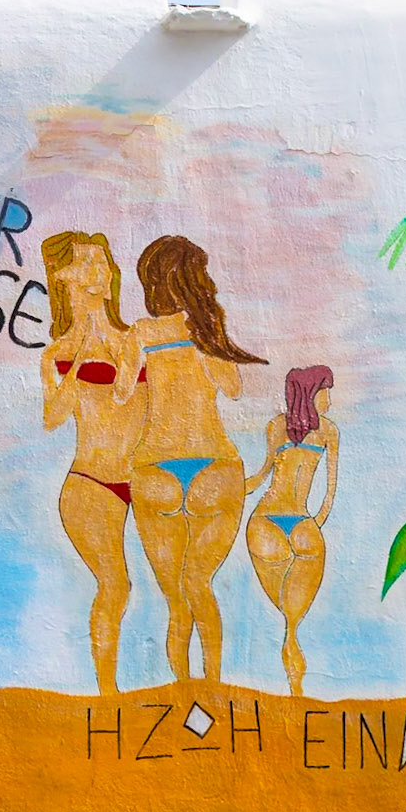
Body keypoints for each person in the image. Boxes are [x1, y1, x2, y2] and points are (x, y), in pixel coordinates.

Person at [128, 234, 267, 683]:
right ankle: (211, 685)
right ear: (194, 280)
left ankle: (183, 688)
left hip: (153, 470)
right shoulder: (203, 332)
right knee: (199, 584)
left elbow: (121, 393)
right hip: (214, 466)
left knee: (175, 600)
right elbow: (232, 388)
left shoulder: (141, 335)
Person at [39, 231, 145, 696]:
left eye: (103, 262)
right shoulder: (57, 354)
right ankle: (107, 693)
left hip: (143, 478)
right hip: (91, 483)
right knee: (116, 587)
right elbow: (52, 418)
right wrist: (81, 359)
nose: (100, 272)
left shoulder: (135, 338)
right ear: (62, 277)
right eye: (87, 263)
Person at [245, 366, 338, 697]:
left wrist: (238, 490)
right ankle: (295, 686)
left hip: (267, 518)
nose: (329, 398)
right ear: (311, 392)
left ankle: (294, 683)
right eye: (326, 390)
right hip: (302, 521)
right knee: (292, 619)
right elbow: (327, 494)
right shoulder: (328, 432)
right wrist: (316, 524)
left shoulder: (279, 427)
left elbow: (262, 477)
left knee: (289, 613)